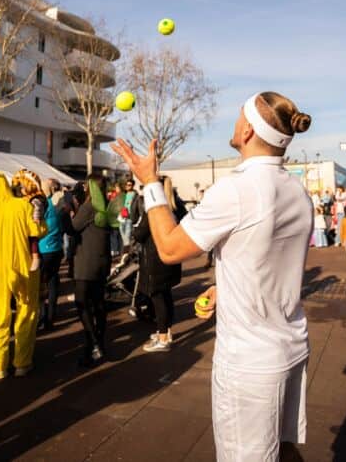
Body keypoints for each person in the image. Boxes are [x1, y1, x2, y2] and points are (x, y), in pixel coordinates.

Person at [112, 91, 313, 461]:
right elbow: (267, 256)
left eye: (238, 117)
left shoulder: (236, 189)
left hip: (249, 365)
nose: (234, 124)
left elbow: (170, 248)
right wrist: (225, 285)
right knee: (282, 451)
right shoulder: (297, 190)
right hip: (291, 346)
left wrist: (150, 183)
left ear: (249, 131)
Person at [0, 173, 47, 379]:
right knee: (26, 310)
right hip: (24, 266)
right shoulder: (23, 206)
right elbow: (38, 231)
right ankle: (22, 362)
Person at [133, 175, 186, 352]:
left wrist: (135, 226)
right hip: (172, 256)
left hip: (156, 259)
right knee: (166, 295)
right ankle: (166, 331)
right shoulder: (177, 207)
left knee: (158, 297)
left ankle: (163, 338)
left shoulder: (154, 211)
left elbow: (139, 234)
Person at [71, 173, 112, 366]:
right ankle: (98, 344)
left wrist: (70, 210)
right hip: (102, 259)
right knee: (98, 303)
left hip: (87, 260)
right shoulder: (106, 205)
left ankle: (93, 342)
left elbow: (74, 226)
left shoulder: (89, 207)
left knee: (81, 302)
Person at [38, 179, 64, 331]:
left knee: (41, 286)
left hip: (44, 250)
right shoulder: (54, 206)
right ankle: (51, 317)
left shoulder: (41, 205)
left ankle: (43, 318)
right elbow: (59, 226)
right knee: (53, 283)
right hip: (56, 249)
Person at [11, 169, 47, 272]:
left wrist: (35, 220)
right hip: (28, 225)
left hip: (34, 223)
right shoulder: (28, 198)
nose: (19, 189)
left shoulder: (36, 198)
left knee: (33, 240)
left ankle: (36, 257)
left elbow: (37, 209)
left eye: (21, 186)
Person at [118, 178, 139, 257]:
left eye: (129, 185)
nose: (127, 186)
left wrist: (137, 220)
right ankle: (130, 252)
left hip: (130, 218)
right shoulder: (124, 194)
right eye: (126, 185)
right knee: (123, 237)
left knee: (127, 236)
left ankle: (126, 254)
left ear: (133, 186)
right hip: (122, 218)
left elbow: (139, 208)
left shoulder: (135, 196)